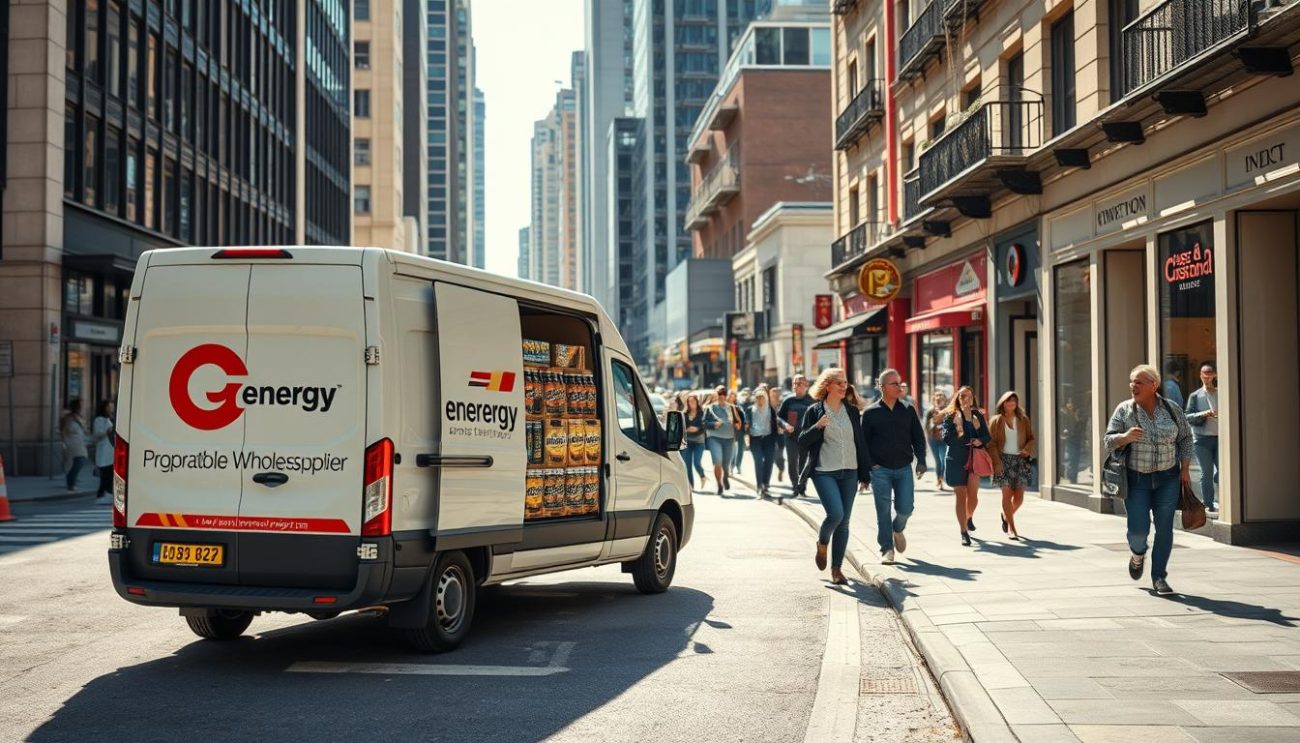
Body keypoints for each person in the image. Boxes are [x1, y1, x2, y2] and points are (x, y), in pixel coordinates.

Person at [1105, 364, 1194, 595]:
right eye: (1132, 381)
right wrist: (1124, 437)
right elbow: (1107, 440)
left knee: (1165, 528)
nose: (1133, 386)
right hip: (1136, 480)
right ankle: (1137, 553)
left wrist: (1185, 468)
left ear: (1154, 385)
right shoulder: (1124, 410)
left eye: (1139, 382)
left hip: (1168, 478)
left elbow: (1185, 438)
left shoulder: (1172, 409)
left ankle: (1159, 578)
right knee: (1138, 530)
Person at [798, 368, 872, 585]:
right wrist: (817, 426)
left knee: (844, 523)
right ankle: (822, 543)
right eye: (839, 382)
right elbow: (802, 440)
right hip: (824, 471)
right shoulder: (814, 411)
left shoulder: (851, 411)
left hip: (850, 471)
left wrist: (865, 474)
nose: (843, 386)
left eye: (845, 382)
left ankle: (837, 569)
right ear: (827, 385)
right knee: (836, 514)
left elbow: (860, 443)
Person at [860, 369, 928, 564]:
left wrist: (921, 460)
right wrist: (869, 467)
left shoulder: (908, 409)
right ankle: (886, 549)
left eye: (900, 383)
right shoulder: (871, 413)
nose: (899, 387)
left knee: (905, 508)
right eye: (894, 384)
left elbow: (918, 437)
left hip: (904, 468)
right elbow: (863, 443)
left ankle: (897, 529)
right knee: (882, 511)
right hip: (879, 470)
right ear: (882, 387)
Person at [941, 387, 991, 547]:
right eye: (962, 396)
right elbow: (947, 438)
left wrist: (979, 439)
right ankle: (963, 531)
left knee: (973, 496)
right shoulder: (951, 416)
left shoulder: (978, 415)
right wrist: (964, 437)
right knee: (961, 495)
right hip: (956, 459)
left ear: (972, 398)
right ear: (958, 398)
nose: (965, 398)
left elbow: (986, 435)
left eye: (969, 396)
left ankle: (968, 517)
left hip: (974, 458)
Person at [989, 391, 1036, 540]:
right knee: (1007, 495)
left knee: (1019, 499)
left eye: (1014, 401)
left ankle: (1006, 515)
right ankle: (1012, 528)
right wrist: (996, 462)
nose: (1011, 403)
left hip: (1020, 461)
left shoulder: (1023, 420)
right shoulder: (996, 421)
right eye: (1008, 401)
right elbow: (991, 444)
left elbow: (1031, 438)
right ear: (1003, 403)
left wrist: (1027, 449)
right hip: (1002, 461)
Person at [1184, 361, 1219, 512]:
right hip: (1201, 439)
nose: (1207, 377)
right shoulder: (1195, 396)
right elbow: (1188, 416)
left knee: (1222, 471)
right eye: (1204, 374)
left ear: (1214, 375)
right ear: (1200, 375)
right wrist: (1204, 414)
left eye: (1210, 374)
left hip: (1220, 439)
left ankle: (1223, 498)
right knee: (1206, 473)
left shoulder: (1220, 393)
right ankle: (1208, 503)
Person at [777, 374, 815, 497]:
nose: (795, 386)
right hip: (791, 438)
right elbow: (778, 417)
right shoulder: (788, 400)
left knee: (805, 464)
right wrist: (785, 425)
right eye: (794, 383)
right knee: (792, 463)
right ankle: (795, 486)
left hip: (807, 438)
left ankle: (802, 486)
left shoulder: (812, 401)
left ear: (806, 385)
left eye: (799, 383)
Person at [747, 384, 780, 498]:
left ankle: (765, 484)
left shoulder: (771, 410)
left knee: (769, 462)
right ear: (755, 399)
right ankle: (759, 486)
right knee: (758, 462)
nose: (760, 400)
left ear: (766, 398)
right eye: (758, 397)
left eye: (762, 397)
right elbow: (746, 424)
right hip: (755, 440)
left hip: (769, 439)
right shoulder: (750, 410)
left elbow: (777, 423)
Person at [703, 387, 736, 494]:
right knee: (717, 461)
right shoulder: (710, 408)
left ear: (726, 396)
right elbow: (703, 423)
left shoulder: (731, 408)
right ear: (716, 395)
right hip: (714, 438)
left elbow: (739, 421)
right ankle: (719, 484)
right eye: (719, 394)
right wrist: (714, 424)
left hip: (729, 439)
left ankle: (725, 476)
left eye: (724, 394)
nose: (722, 396)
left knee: (726, 465)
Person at [59, 398, 90, 493]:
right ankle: (71, 484)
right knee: (80, 460)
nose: (82, 407)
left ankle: (71, 483)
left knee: (76, 462)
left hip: (78, 443)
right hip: (73, 443)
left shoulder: (78, 417)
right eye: (81, 405)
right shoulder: (69, 418)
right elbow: (64, 430)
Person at [90, 399, 117, 503]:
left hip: (111, 452)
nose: (110, 409)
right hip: (103, 453)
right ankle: (101, 495)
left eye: (112, 407)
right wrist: (107, 431)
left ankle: (107, 495)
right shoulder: (99, 420)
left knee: (110, 475)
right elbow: (97, 435)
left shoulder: (112, 419)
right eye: (108, 407)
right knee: (105, 476)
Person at [682, 393, 708, 492]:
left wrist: (697, 428)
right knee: (687, 464)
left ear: (697, 402)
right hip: (688, 442)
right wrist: (687, 429)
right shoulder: (684, 414)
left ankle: (702, 476)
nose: (691, 403)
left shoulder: (702, 413)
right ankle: (691, 486)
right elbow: (683, 427)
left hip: (699, 442)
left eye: (693, 401)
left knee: (696, 462)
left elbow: (704, 426)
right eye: (689, 402)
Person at [924, 391, 950, 491]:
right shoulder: (930, 412)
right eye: (937, 398)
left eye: (941, 398)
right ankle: (939, 480)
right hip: (933, 439)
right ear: (934, 400)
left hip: (944, 440)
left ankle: (941, 479)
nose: (939, 399)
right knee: (938, 461)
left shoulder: (948, 411)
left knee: (943, 459)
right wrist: (932, 424)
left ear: (945, 400)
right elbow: (925, 426)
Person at [768, 386, 786, 483]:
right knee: (772, 454)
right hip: (769, 434)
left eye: (776, 395)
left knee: (779, 454)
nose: (775, 397)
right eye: (773, 395)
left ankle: (781, 468)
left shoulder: (782, 406)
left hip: (780, 434)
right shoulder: (767, 406)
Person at [731, 389, 749, 474]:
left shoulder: (739, 406)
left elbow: (743, 417)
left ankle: (738, 465)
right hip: (731, 431)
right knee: (733, 450)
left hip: (740, 430)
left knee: (741, 449)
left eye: (734, 395)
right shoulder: (726, 406)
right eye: (731, 395)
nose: (732, 397)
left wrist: (745, 424)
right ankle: (732, 465)